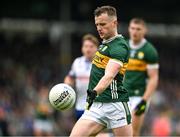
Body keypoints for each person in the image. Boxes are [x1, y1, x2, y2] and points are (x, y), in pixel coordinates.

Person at [70, 6, 132, 137]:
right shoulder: (104, 43)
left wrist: (94, 92)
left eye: (103, 24)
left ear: (115, 23)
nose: (99, 28)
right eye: (97, 24)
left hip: (116, 106)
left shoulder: (120, 46)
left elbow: (109, 75)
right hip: (97, 106)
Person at [123, 18, 159, 136]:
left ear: (144, 31)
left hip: (140, 96)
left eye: (138, 29)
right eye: (132, 28)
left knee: (133, 130)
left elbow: (153, 78)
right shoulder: (124, 46)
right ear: (129, 29)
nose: (135, 32)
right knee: (122, 131)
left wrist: (145, 100)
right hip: (124, 94)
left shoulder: (149, 51)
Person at [64, 34, 98, 120]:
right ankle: (111, 135)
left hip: (96, 107)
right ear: (82, 48)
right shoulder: (77, 62)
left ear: (97, 49)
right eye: (86, 46)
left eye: (91, 46)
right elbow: (70, 78)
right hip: (80, 106)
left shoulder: (101, 64)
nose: (88, 49)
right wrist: (66, 86)